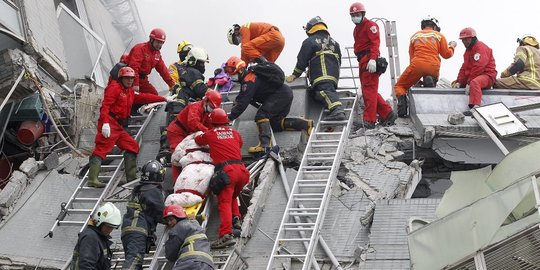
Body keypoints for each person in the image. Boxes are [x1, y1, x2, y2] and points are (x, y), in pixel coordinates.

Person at [87, 67, 176, 188]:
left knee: (132, 146)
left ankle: (131, 177)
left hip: (119, 126)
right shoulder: (114, 88)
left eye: (131, 79)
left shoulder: (129, 91)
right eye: (127, 78)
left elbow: (143, 97)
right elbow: (105, 107)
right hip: (110, 123)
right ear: (121, 78)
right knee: (101, 149)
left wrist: (164, 98)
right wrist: (105, 123)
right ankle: (92, 179)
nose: (130, 81)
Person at [224, 56, 313, 154]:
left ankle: (265, 146)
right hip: (284, 94)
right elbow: (242, 97)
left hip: (280, 95)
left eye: (233, 73)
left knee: (261, 115)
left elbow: (242, 103)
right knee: (275, 123)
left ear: (240, 70)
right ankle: (305, 125)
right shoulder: (249, 78)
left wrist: (229, 118)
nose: (231, 76)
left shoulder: (249, 79)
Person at [194, 108, 250, 248]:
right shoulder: (235, 133)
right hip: (242, 171)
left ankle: (225, 235)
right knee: (232, 196)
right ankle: (236, 218)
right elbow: (239, 144)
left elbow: (198, 140)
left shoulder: (211, 133)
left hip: (227, 171)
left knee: (224, 202)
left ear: (212, 122)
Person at [394, 16, 456, 117]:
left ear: (423, 25)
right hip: (433, 66)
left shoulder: (415, 36)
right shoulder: (439, 36)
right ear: (435, 27)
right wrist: (452, 46)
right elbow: (447, 55)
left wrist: (414, 78)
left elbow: (411, 56)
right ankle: (430, 79)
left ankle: (402, 110)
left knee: (400, 86)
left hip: (417, 64)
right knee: (430, 77)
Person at [286, 16, 345, 121]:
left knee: (323, 91)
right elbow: (339, 60)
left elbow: (302, 60)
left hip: (321, 75)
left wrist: (295, 74)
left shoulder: (309, 41)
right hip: (333, 75)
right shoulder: (335, 43)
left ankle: (337, 110)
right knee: (316, 93)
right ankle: (335, 108)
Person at [350, 2, 397, 129]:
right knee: (368, 90)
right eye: (353, 15)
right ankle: (387, 113)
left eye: (357, 14)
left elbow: (375, 43)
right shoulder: (356, 29)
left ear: (363, 14)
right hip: (362, 61)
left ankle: (369, 120)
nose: (355, 17)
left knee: (369, 90)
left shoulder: (371, 25)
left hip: (369, 59)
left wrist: (372, 59)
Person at [166, 90, 222, 183]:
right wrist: (209, 132)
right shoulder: (195, 107)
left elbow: (209, 126)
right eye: (211, 106)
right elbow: (193, 123)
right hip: (177, 132)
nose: (211, 109)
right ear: (206, 100)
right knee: (178, 156)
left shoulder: (207, 113)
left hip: (188, 134)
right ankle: (176, 183)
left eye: (213, 107)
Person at [121, 160, 166, 270]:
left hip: (128, 230)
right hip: (138, 230)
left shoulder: (139, 189)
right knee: (134, 260)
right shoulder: (152, 190)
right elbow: (161, 213)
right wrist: (176, 217)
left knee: (135, 262)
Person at [451, 27, 497, 115]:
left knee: (475, 82)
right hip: (474, 76)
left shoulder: (481, 47)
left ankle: (475, 107)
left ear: (472, 38)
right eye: (463, 40)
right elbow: (464, 68)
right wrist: (459, 82)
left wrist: (469, 82)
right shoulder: (468, 52)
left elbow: (479, 66)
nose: (464, 42)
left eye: (466, 39)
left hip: (488, 75)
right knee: (470, 82)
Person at [71, 202, 121, 270]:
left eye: (112, 227)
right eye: (108, 226)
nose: (110, 230)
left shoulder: (100, 237)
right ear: (99, 222)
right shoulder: (90, 237)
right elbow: (86, 266)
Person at [163, 204, 214, 270]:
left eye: (171, 219)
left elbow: (170, 254)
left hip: (190, 263)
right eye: (167, 221)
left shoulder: (178, 227)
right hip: (208, 265)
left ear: (178, 217)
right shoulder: (196, 225)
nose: (169, 223)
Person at [127, 28, 175, 95]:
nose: (160, 45)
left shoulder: (157, 54)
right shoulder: (140, 49)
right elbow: (134, 67)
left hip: (143, 80)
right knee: (130, 98)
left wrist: (172, 84)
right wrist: (135, 84)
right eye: (158, 42)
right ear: (151, 39)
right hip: (129, 79)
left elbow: (163, 70)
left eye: (162, 42)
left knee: (154, 95)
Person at [169, 47, 211, 115]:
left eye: (203, 63)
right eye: (201, 63)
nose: (203, 66)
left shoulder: (185, 70)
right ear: (193, 61)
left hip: (178, 109)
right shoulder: (193, 72)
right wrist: (212, 93)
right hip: (185, 110)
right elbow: (200, 89)